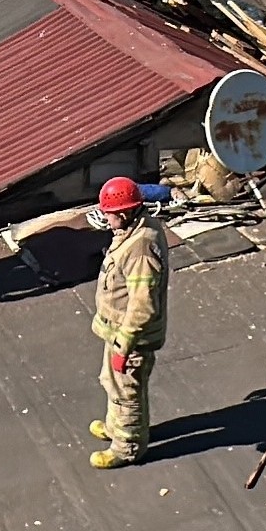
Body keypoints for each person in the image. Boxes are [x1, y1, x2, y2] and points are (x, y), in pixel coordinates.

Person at [88, 177, 170, 468]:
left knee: (127, 392)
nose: (105, 218)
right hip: (118, 331)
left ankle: (128, 446)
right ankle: (117, 427)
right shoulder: (133, 231)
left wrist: (124, 345)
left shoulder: (141, 248)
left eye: (108, 213)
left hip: (131, 337)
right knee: (113, 384)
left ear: (123, 214)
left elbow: (143, 303)